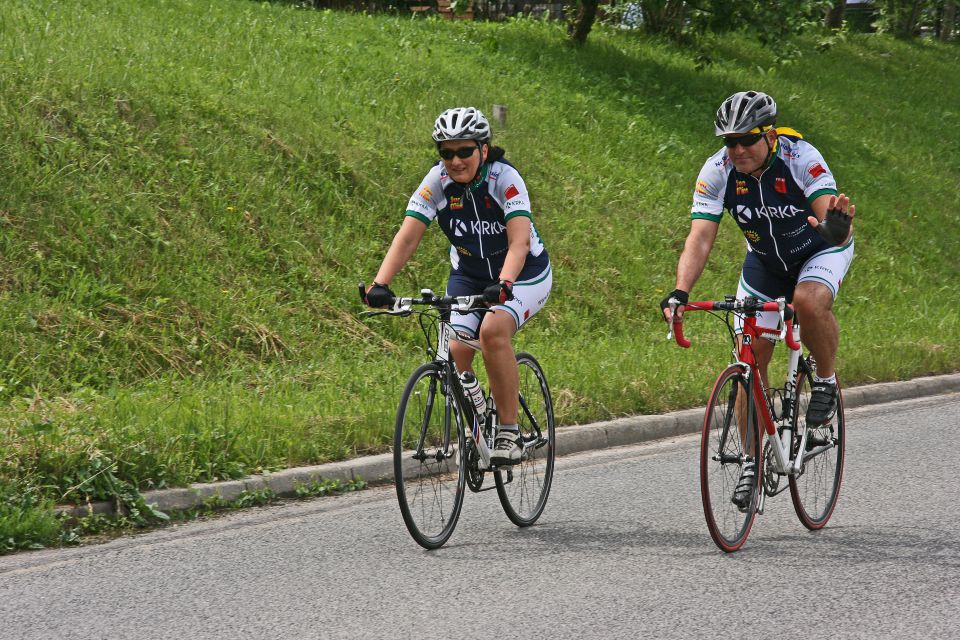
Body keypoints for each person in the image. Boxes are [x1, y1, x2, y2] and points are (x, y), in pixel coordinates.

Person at [660, 90, 855, 507]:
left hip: (819, 251)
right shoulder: (717, 171)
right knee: (750, 357)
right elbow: (700, 236)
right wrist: (680, 292)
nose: (738, 149)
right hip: (765, 264)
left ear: (770, 134)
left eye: (747, 139)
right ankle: (751, 459)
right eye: (729, 141)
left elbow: (828, 212)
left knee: (806, 300)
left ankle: (824, 379)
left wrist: (835, 229)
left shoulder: (801, 157)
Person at [365, 107, 552, 465]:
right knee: (454, 349)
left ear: (483, 149)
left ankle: (510, 431)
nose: (455, 160)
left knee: (494, 331)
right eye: (446, 152)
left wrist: (505, 283)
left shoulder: (505, 179)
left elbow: (519, 243)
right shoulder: (436, 182)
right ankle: (480, 415)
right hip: (468, 274)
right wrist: (380, 284)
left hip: (524, 272)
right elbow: (407, 236)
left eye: (464, 151)